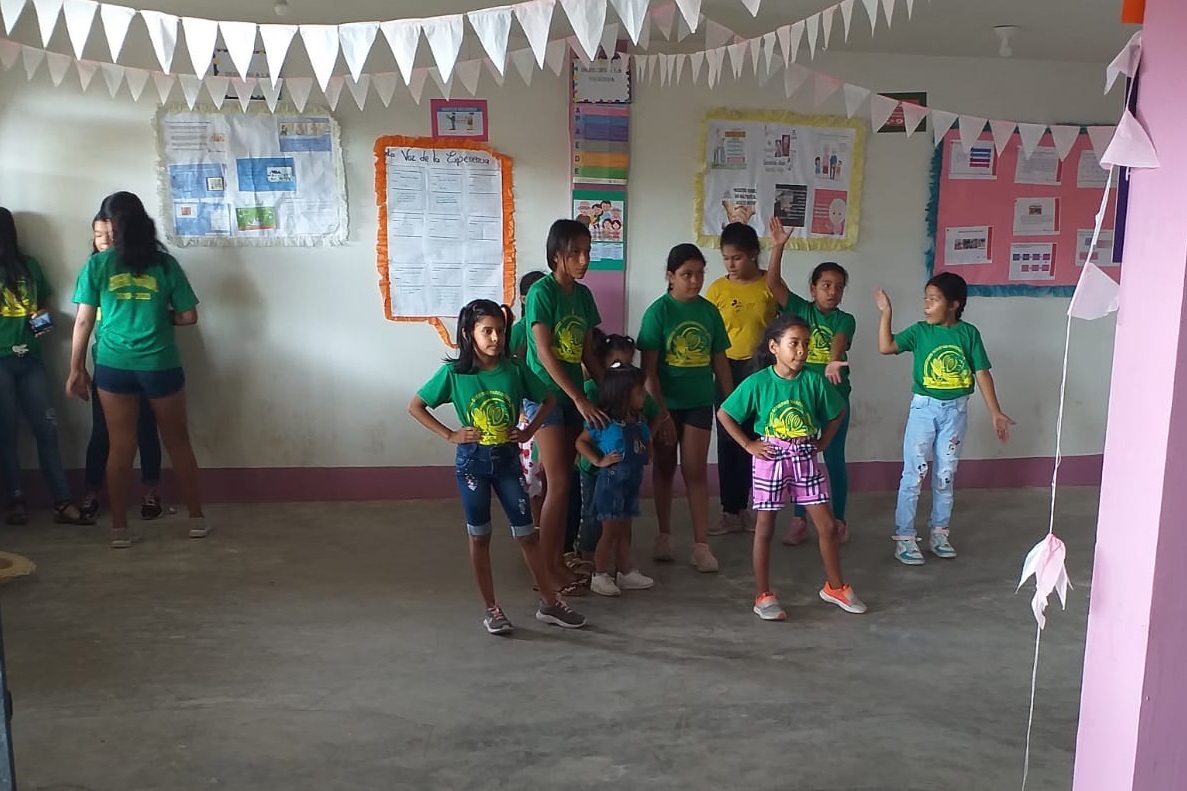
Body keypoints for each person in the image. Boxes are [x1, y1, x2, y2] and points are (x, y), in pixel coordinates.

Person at [409, 299, 586, 633]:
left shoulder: (515, 369)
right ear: (468, 334)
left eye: (500, 331)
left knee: (526, 534)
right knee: (480, 537)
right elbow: (416, 405)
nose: (495, 338)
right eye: (487, 331)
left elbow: (548, 398)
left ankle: (550, 602)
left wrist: (529, 432)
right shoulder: (454, 373)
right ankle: (492, 609)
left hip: (507, 463)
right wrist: (450, 434)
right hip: (471, 466)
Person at [66, 191, 206, 548]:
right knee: (178, 442)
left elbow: (83, 321)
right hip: (160, 364)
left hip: (113, 366)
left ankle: (119, 529)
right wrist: (160, 318)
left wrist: (76, 369)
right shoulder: (165, 264)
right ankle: (196, 520)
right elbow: (189, 316)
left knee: (120, 447)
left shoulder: (97, 265)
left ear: (111, 225)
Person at [718, 314, 867, 621]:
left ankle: (835, 587)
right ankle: (763, 596)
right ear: (774, 346)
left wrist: (823, 441)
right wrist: (748, 445)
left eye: (806, 344)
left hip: (804, 458)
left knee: (827, 526)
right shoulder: (758, 382)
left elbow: (837, 412)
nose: (802, 351)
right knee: (765, 527)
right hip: (770, 459)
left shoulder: (813, 380)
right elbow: (725, 414)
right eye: (794, 343)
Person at [875, 273, 1014, 565]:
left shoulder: (968, 334)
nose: (926, 305)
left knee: (945, 475)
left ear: (954, 304)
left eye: (934, 300)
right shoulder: (920, 332)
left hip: (956, 412)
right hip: (924, 410)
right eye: (925, 299)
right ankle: (905, 537)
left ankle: (939, 533)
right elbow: (886, 347)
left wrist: (995, 412)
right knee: (914, 474)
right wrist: (887, 312)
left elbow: (982, 373)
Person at [523, 219, 608, 594]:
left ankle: (557, 560)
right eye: (575, 252)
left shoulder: (584, 296)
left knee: (563, 483)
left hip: (573, 395)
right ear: (557, 255)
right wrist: (579, 397)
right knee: (557, 483)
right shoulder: (542, 292)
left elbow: (587, 353)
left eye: (587, 252)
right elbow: (544, 353)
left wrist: (609, 392)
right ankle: (545, 571)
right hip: (545, 395)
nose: (584, 259)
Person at [638, 243, 733, 573]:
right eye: (686, 274)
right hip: (665, 404)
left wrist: (731, 402)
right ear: (670, 276)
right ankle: (663, 536)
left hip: (698, 403)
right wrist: (661, 413)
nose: (694, 281)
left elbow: (720, 361)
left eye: (699, 274)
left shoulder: (709, 313)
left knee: (695, 470)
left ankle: (700, 545)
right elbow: (648, 371)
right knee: (664, 469)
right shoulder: (658, 312)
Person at [764, 216, 855, 546]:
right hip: (801, 399)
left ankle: (838, 520)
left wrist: (833, 360)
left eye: (838, 286)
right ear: (813, 288)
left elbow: (839, 341)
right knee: (802, 461)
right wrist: (778, 247)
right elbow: (773, 284)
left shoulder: (846, 319)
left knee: (833, 459)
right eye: (826, 285)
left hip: (833, 398)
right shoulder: (800, 310)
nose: (832, 291)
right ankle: (800, 519)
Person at [0, 208, 92, 527]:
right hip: (0, 361)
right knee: (7, 433)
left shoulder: (30, 266)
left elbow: (44, 307)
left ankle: (62, 501)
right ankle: (16, 500)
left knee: (47, 430)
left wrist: (43, 320)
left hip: (31, 360)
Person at [80, 211, 167, 522]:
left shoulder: (146, 269)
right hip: (107, 365)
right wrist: (76, 367)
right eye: (98, 235)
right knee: (102, 432)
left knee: (146, 428)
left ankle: (150, 491)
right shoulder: (94, 270)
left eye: (111, 234)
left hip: (146, 363)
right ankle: (92, 491)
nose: (105, 241)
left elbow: (168, 313)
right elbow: (83, 321)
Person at [705, 221, 777, 535]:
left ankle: (747, 506)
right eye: (726, 258)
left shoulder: (769, 285)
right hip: (726, 367)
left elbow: (783, 325)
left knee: (755, 436)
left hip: (760, 369)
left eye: (736, 258)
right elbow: (709, 331)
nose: (731, 264)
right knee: (727, 437)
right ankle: (729, 510)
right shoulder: (717, 290)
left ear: (752, 255)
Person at [576, 331, 663, 568]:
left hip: (627, 479)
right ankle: (592, 566)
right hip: (599, 476)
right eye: (617, 363)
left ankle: (623, 569)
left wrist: (646, 448)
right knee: (597, 520)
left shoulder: (636, 414)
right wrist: (598, 460)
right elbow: (582, 440)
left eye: (628, 363)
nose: (623, 369)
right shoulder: (596, 401)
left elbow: (653, 423)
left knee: (624, 524)